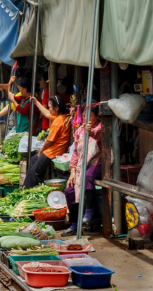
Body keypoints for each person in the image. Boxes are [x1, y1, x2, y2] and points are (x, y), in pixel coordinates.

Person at [61, 101, 102, 237]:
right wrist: (72, 171)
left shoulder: (102, 127)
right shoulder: (79, 131)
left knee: (88, 177)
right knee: (69, 189)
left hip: (97, 163)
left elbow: (97, 134)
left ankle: (88, 214)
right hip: (80, 166)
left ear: (97, 116)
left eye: (90, 116)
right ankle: (74, 224)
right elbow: (75, 153)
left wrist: (91, 131)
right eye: (85, 116)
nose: (86, 119)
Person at [23, 95, 70, 189]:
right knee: (33, 160)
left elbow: (49, 141)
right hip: (54, 150)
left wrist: (40, 152)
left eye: (50, 107)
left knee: (35, 171)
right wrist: (37, 102)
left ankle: (29, 189)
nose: (49, 109)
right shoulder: (64, 117)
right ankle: (26, 187)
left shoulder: (58, 121)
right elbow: (47, 113)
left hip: (53, 152)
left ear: (57, 108)